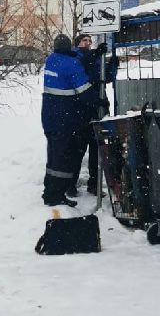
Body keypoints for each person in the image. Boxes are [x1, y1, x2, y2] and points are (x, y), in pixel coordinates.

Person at [41, 33, 94, 207]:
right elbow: (84, 92)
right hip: (64, 118)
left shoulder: (51, 59)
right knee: (63, 160)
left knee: (53, 156)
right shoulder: (72, 63)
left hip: (49, 116)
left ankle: (49, 191)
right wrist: (98, 101)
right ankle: (56, 195)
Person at [73, 32, 115, 195]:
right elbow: (83, 71)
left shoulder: (95, 57)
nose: (88, 43)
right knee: (79, 149)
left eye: (90, 41)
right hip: (81, 110)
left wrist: (112, 64)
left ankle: (94, 184)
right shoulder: (75, 56)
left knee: (96, 148)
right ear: (77, 43)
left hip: (98, 107)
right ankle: (71, 183)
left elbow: (106, 77)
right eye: (85, 40)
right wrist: (95, 54)